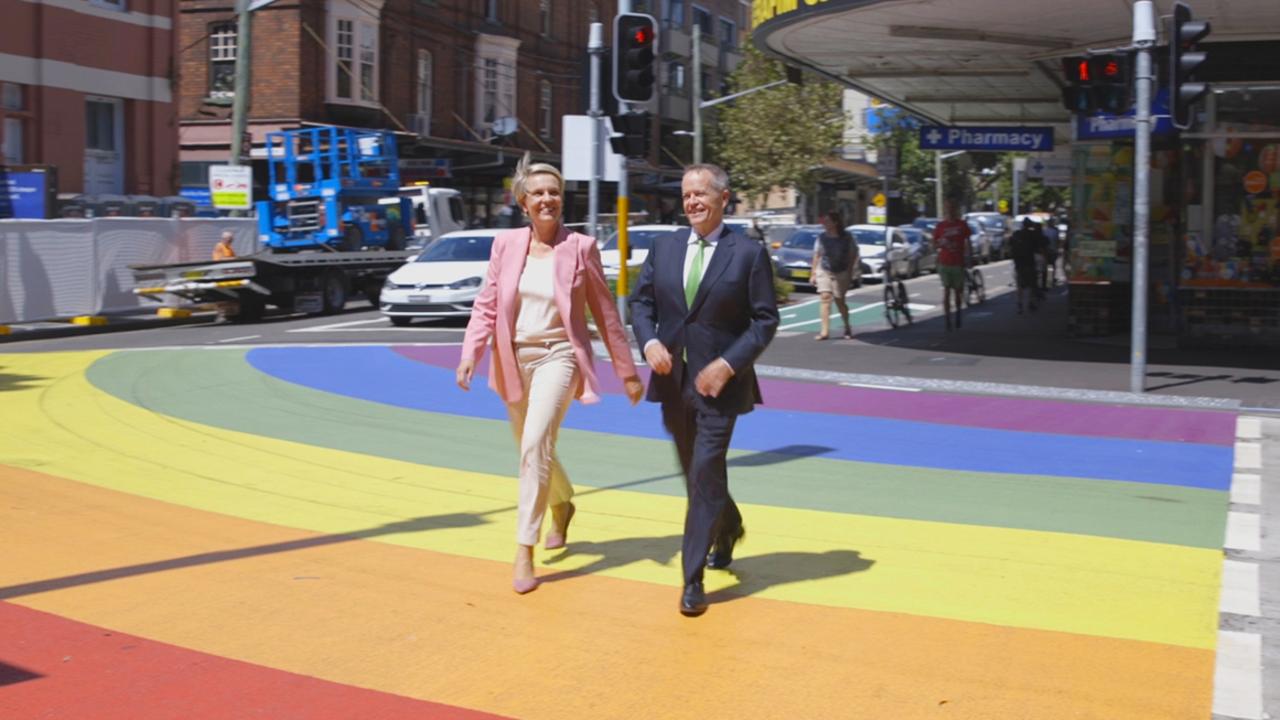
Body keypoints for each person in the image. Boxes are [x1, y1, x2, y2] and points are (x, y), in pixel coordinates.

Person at [456, 155, 644, 595]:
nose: (547, 199)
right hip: (512, 358)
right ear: (523, 202)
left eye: (554, 192)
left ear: (562, 200)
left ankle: (525, 546)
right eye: (538, 193)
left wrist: (627, 372)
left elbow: (605, 313)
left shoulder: (580, 247)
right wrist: (471, 352)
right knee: (531, 447)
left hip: (560, 356)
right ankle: (562, 503)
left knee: (537, 441)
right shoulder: (505, 245)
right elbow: (486, 303)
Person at [629, 163, 780, 617]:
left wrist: (729, 363)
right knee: (699, 474)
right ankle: (729, 525)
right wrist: (650, 341)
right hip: (673, 384)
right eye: (686, 194)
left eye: (701, 194)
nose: (692, 202)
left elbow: (765, 320)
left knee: (703, 473)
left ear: (723, 198)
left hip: (720, 387)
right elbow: (641, 302)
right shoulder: (664, 246)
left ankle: (692, 579)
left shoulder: (748, 254)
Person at [811, 210, 857, 340]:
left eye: (827, 221)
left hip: (841, 272)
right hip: (824, 270)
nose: (824, 224)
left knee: (839, 301)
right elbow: (817, 255)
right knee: (825, 297)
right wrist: (813, 273)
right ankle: (824, 332)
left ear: (835, 222)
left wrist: (849, 271)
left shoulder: (847, 237)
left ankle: (847, 326)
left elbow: (853, 254)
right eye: (824, 221)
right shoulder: (821, 237)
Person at [931, 198, 971, 330]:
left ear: (956, 209)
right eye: (948, 207)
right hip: (945, 261)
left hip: (958, 261)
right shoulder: (940, 226)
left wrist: (968, 257)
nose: (950, 210)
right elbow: (934, 244)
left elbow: (967, 241)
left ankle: (958, 313)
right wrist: (940, 243)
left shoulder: (962, 225)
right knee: (946, 291)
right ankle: (947, 319)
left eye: (952, 207)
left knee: (958, 292)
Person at [1009, 218, 1041, 314]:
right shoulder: (1032, 235)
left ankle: (1020, 304)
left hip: (1019, 262)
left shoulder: (1016, 234)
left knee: (1020, 284)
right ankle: (1030, 302)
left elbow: (1010, 244)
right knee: (1031, 283)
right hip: (1029, 262)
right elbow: (1037, 248)